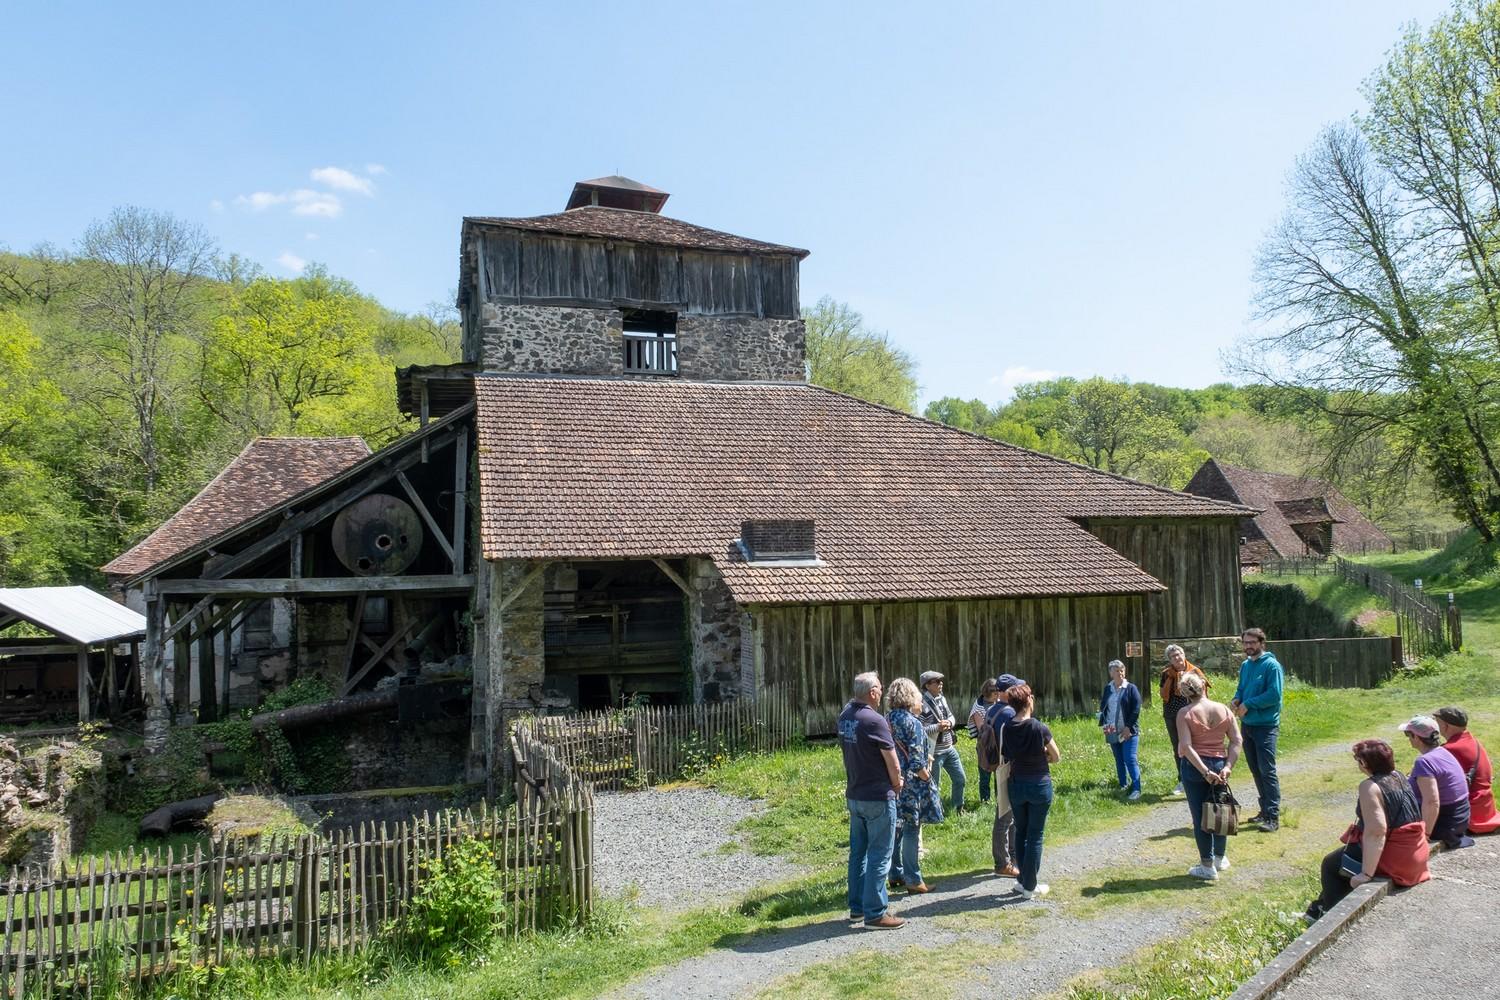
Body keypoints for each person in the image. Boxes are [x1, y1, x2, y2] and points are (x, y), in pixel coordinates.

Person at [1304, 739, 1429, 921]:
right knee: (1343, 861)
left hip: (1396, 857)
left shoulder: (1370, 787)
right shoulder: (1399, 776)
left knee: (1331, 864)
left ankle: (1330, 917)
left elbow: (1376, 832)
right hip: (1415, 852)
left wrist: (1366, 874)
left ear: (1364, 763)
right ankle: (1320, 907)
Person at [837, 672, 905, 929]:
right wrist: (897, 785)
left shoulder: (846, 716)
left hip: (855, 793)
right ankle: (876, 913)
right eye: (880, 689)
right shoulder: (875, 720)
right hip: (877, 795)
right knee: (880, 854)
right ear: (873, 692)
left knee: (858, 854)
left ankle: (857, 908)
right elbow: (892, 760)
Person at [1176, 671, 1242, 880]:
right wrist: (1228, 766)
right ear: (1203, 686)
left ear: (1184, 692)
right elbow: (1236, 740)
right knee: (1220, 809)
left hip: (1196, 768)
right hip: (1220, 763)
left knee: (1200, 816)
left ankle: (1207, 865)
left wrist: (1204, 771)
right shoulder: (1223, 709)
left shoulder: (1185, 713)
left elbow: (1186, 746)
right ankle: (1220, 858)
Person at [1001, 683, 1060, 899]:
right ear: (1029, 701)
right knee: (1035, 836)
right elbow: (1056, 756)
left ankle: (1022, 880)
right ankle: (1030, 886)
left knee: (1021, 832)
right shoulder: (1038, 727)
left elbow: (1008, 753)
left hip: (1016, 784)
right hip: (1038, 784)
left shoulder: (1007, 727)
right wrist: (1043, 753)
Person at [885, 678, 942, 894]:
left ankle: (895, 874)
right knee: (911, 829)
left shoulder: (886, 719)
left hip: (892, 781)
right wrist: (927, 778)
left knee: (896, 827)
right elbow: (918, 762)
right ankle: (913, 879)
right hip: (911, 784)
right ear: (911, 697)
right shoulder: (913, 723)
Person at [1231, 627, 1283, 832]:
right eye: (1245, 643)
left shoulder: (1272, 665)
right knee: (1255, 769)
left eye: (1252, 642)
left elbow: (1274, 695)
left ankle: (1273, 816)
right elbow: (1241, 688)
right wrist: (1237, 699)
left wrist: (1249, 704)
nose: (1248, 646)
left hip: (1266, 726)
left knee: (1267, 770)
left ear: (1262, 643)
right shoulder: (1245, 665)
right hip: (1248, 725)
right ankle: (1264, 810)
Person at [1399, 715, 1472, 849]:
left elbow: (1432, 802)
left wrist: (1425, 835)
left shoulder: (1424, 762)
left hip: (1444, 824)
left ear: (1416, 737)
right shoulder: (1443, 752)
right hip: (1460, 819)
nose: (1408, 739)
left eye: (1408, 734)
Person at [1433, 706, 1499, 835]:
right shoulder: (1474, 742)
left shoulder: (1450, 749)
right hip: (1486, 807)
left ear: (1446, 726)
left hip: (1470, 812)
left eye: (1438, 722)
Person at [986, 673, 1024, 879]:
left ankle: (1011, 857)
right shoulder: (1008, 713)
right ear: (1008, 692)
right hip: (1007, 767)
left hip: (997, 767)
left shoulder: (992, 709)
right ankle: (1002, 863)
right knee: (1005, 816)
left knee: (1007, 812)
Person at [1160, 644, 1208, 796]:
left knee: (1195, 746)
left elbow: (1204, 693)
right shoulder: (1166, 673)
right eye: (1173, 656)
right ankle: (1183, 780)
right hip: (1172, 715)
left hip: (1193, 714)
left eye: (1179, 654)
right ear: (1170, 660)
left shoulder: (1194, 671)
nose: (1177, 658)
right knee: (1178, 748)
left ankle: (1201, 776)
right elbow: (1163, 694)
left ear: (1184, 654)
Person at [920, 671, 967, 813]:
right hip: (934, 752)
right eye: (937, 681)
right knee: (934, 784)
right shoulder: (921, 704)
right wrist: (937, 727)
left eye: (941, 681)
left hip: (948, 748)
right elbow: (920, 729)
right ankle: (933, 812)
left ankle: (958, 807)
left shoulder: (942, 699)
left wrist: (950, 723)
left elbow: (951, 716)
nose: (941, 684)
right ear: (927, 686)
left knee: (960, 779)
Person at [1098, 659, 1142, 800]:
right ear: (1111, 673)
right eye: (1117, 670)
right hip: (1112, 730)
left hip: (1128, 730)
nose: (1120, 673)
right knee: (1119, 759)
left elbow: (1136, 709)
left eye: (1122, 670)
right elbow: (1104, 706)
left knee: (1130, 758)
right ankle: (1123, 785)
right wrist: (1104, 722)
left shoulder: (1130, 688)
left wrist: (1128, 727)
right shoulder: (1108, 688)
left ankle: (1136, 788)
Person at [968, 678, 1003, 805]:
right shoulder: (978, 708)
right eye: (995, 693)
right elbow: (982, 730)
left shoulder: (998, 702)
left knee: (999, 773)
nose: (998, 695)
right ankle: (985, 800)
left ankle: (1000, 799)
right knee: (985, 773)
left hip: (999, 744)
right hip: (985, 746)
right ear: (988, 693)